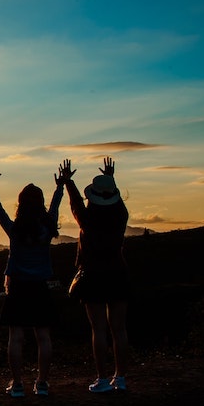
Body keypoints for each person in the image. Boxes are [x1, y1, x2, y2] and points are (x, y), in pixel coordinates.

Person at [0, 162, 65, 397]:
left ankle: (17, 383)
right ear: (40, 204)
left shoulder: (15, 229)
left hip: (18, 287)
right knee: (43, 336)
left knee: (16, 337)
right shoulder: (47, 228)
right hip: (40, 286)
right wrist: (60, 186)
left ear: (20, 204)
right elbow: (55, 206)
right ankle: (42, 383)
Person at [60, 157, 130, 393]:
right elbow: (114, 200)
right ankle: (120, 377)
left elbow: (75, 204)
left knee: (98, 329)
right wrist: (111, 178)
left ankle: (101, 378)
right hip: (117, 272)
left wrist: (68, 181)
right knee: (119, 329)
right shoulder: (121, 215)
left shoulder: (87, 219)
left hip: (93, 275)